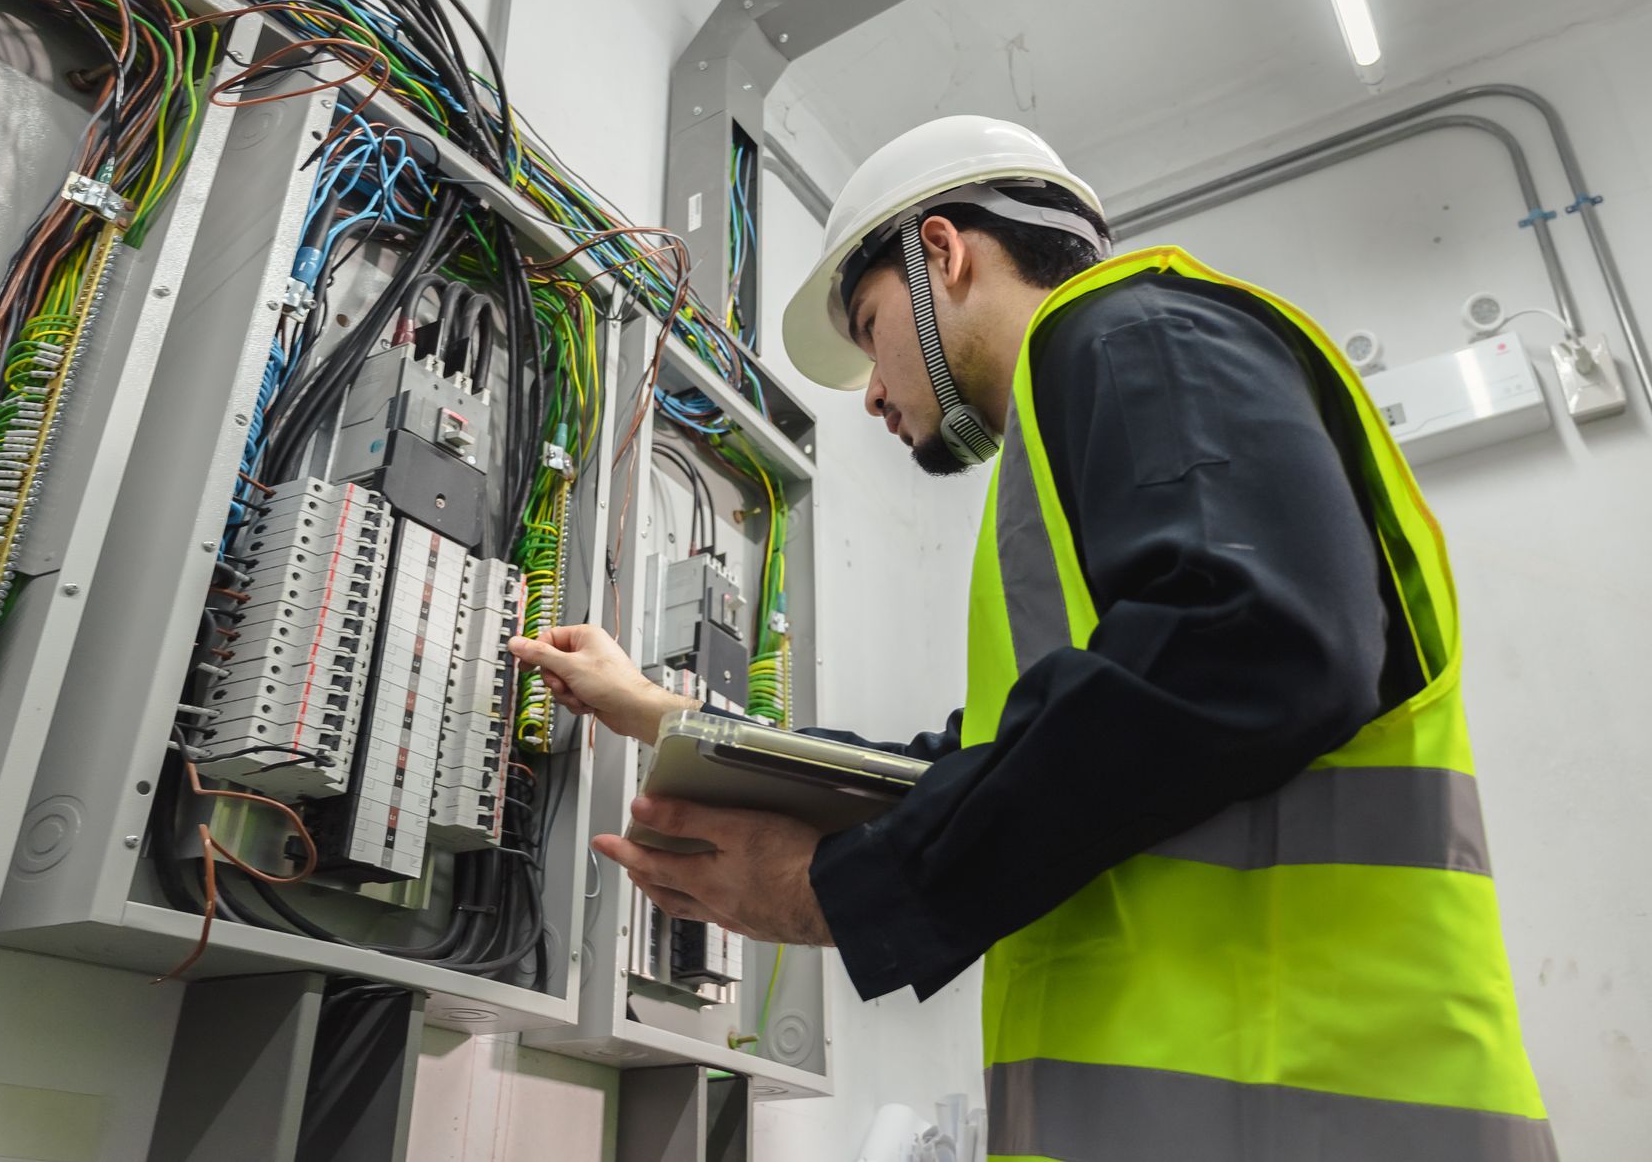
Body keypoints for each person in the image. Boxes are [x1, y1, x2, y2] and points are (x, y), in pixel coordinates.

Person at [508, 115, 1554, 1161]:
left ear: (942, 252)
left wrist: (843, 891)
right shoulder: (1073, 440)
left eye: (870, 330)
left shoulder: (1139, 333)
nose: (872, 390)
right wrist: (666, 715)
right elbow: (997, 766)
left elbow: (1254, 639)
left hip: (1317, 1105)